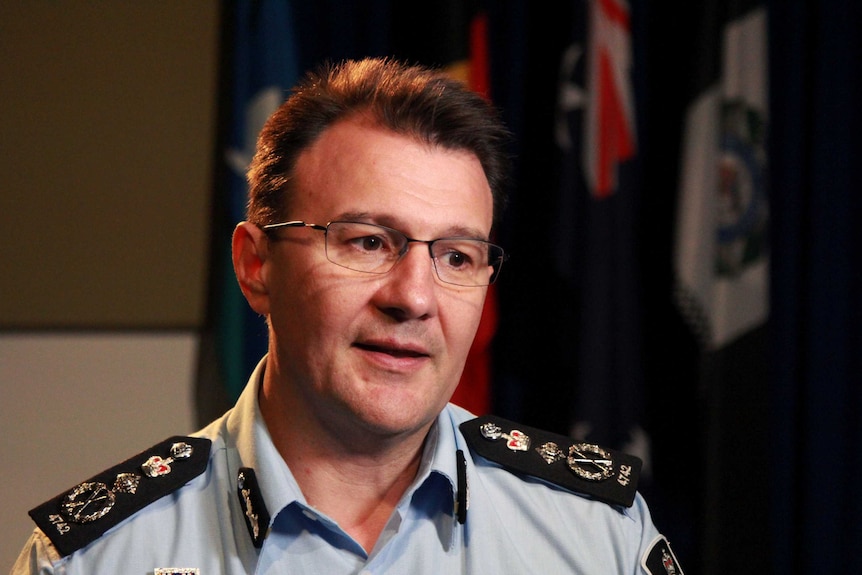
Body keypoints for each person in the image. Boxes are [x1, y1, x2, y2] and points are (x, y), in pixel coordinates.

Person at [12, 57, 683, 574]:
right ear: (255, 265)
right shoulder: (94, 557)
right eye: (367, 241)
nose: (414, 297)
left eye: (456, 256)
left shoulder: (597, 538)